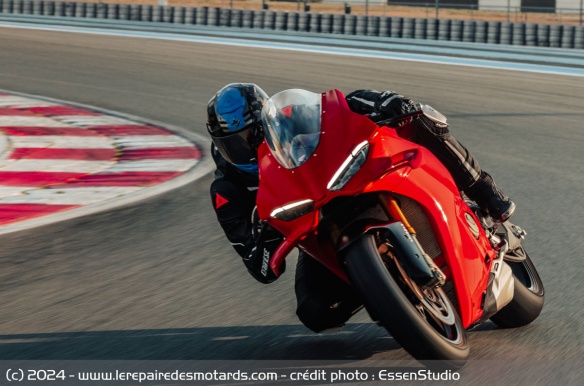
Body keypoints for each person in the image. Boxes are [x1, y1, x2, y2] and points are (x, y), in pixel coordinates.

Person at [206, 83, 515, 333]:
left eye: (251, 135)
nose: (245, 148)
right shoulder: (227, 190)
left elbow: (339, 108)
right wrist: (270, 233)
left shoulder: (292, 116)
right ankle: (384, 290)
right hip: (318, 225)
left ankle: (485, 191)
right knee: (316, 313)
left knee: (417, 117)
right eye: (232, 143)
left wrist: (382, 104)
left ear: (265, 123)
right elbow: (260, 269)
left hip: (356, 177)